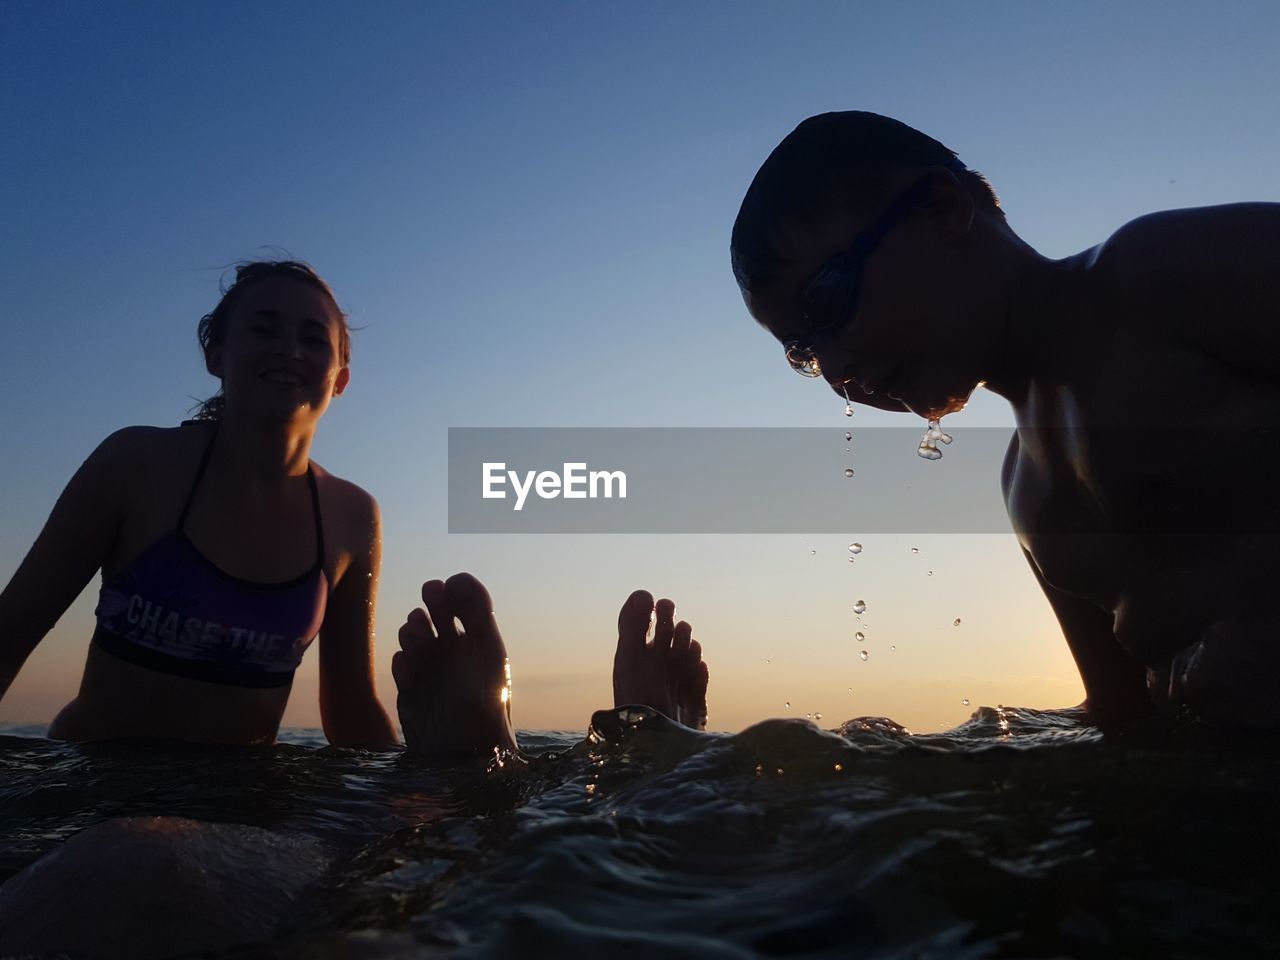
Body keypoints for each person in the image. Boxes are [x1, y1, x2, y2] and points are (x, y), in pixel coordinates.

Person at [729, 110, 1280, 734]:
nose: (835, 368)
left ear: (940, 209)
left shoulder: (1158, 279)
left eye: (826, 301)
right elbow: (1122, 724)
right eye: (803, 350)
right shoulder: (1029, 490)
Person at [0, 261, 399, 748]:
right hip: (94, 790)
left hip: (240, 808)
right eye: (264, 328)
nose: (289, 349)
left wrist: (420, 808)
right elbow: (11, 630)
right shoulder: (135, 465)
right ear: (216, 354)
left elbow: (352, 711)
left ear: (340, 379)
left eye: (314, 339)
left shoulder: (352, 518)